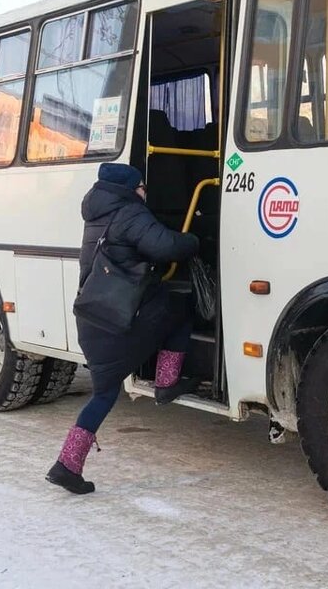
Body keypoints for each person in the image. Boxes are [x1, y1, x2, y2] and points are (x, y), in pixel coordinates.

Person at [46, 162, 201, 495]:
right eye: (142, 186)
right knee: (180, 309)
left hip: (92, 319)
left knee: (104, 393)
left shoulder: (97, 214)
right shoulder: (130, 212)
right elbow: (166, 247)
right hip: (116, 322)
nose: (145, 191)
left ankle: (67, 465)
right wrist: (193, 240)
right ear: (132, 189)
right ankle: (166, 381)